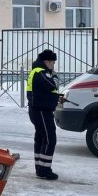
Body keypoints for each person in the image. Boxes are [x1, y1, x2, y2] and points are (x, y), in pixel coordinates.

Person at [26, 49, 62, 180]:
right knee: (49, 138)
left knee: (41, 138)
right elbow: (51, 84)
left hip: (40, 109)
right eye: (52, 62)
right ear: (46, 61)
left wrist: (55, 97)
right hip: (41, 110)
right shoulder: (40, 72)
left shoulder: (40, 71)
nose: (53, 65)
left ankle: (40, 168)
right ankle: (44, 170)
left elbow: (45, 90)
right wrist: (55, 78)